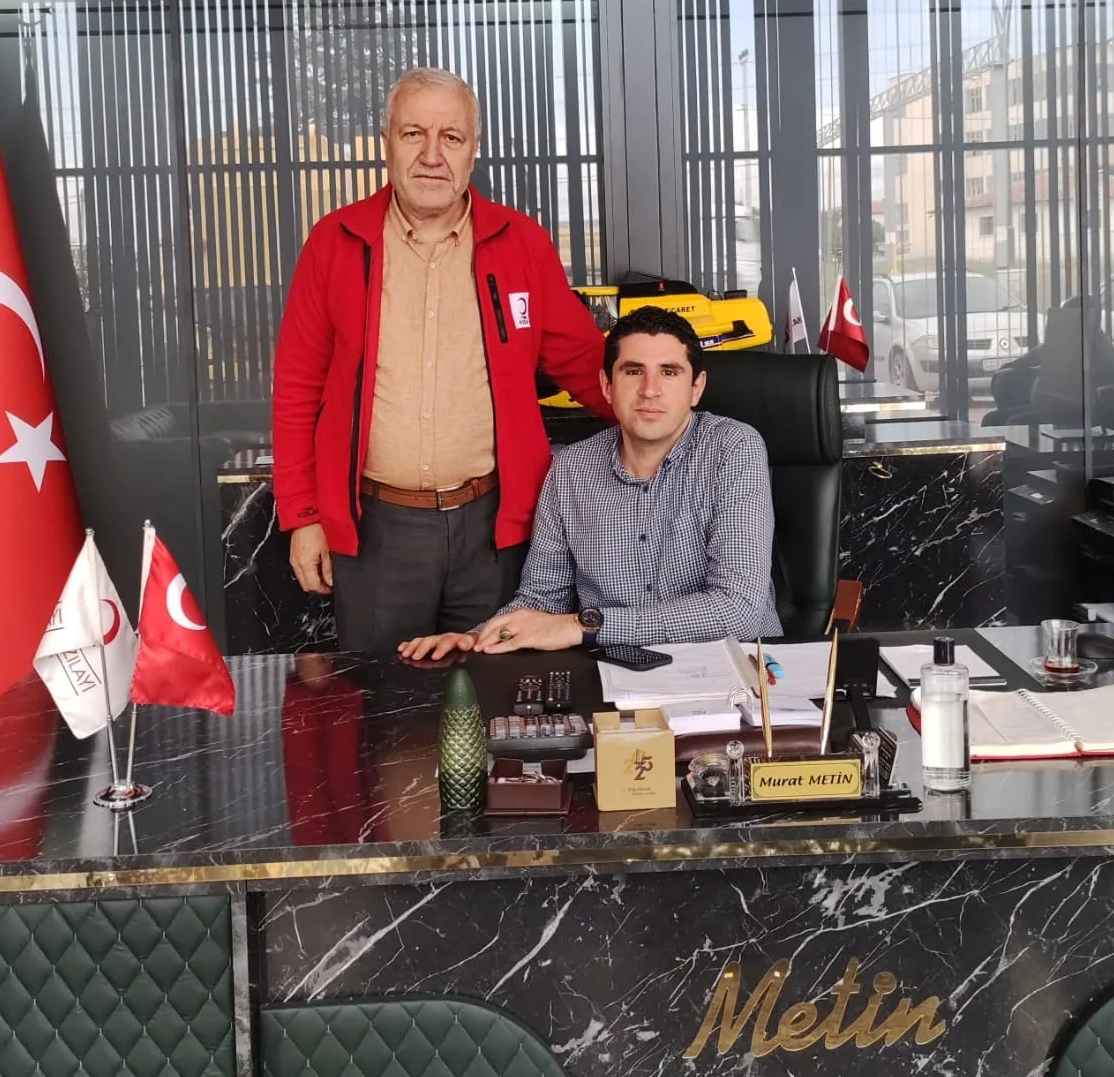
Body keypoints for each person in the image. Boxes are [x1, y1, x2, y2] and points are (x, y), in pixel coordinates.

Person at [271, 66, 610, 652]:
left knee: (495, 693)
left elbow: (585, 363)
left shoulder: (522, 244)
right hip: (377, 530)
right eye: (413, 134)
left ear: (473, 149)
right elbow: (297, 388)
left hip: (495, 528)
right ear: (386, 144)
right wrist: (303, 516)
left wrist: (675, 427)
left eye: (451, 137)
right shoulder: (334, 242)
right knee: (383, 701)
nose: (432, 155)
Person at [400, 307, 779, 661]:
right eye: (633, 371)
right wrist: (476, 638)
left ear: (696, 387)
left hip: (733, 672)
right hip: (614, 672)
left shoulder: (733, 450)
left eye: (669, 372)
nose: (650, 389)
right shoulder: (571, 469)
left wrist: (583, 627)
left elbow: (738, 611)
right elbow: (541, 599)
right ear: (607, 385)